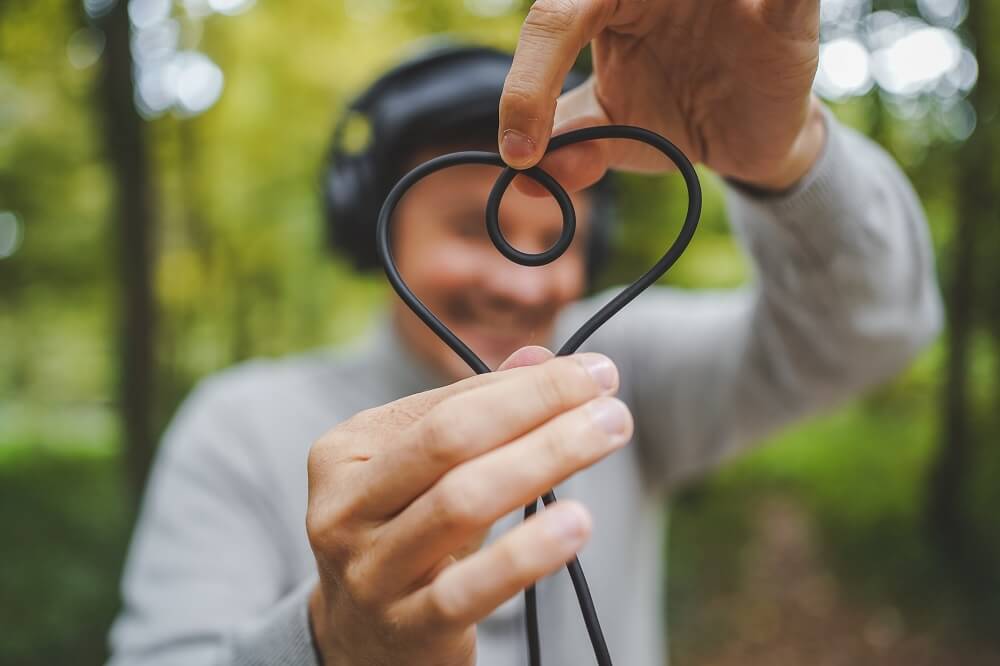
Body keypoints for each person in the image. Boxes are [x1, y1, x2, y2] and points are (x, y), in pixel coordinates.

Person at [108, 2, 944, 665]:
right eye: (478, 227)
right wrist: (331, 648)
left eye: (563, 237)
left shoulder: (620, 372)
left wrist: (784, 160)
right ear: (375, 232)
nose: (524, 280)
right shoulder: (241, 428)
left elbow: (869, 334)